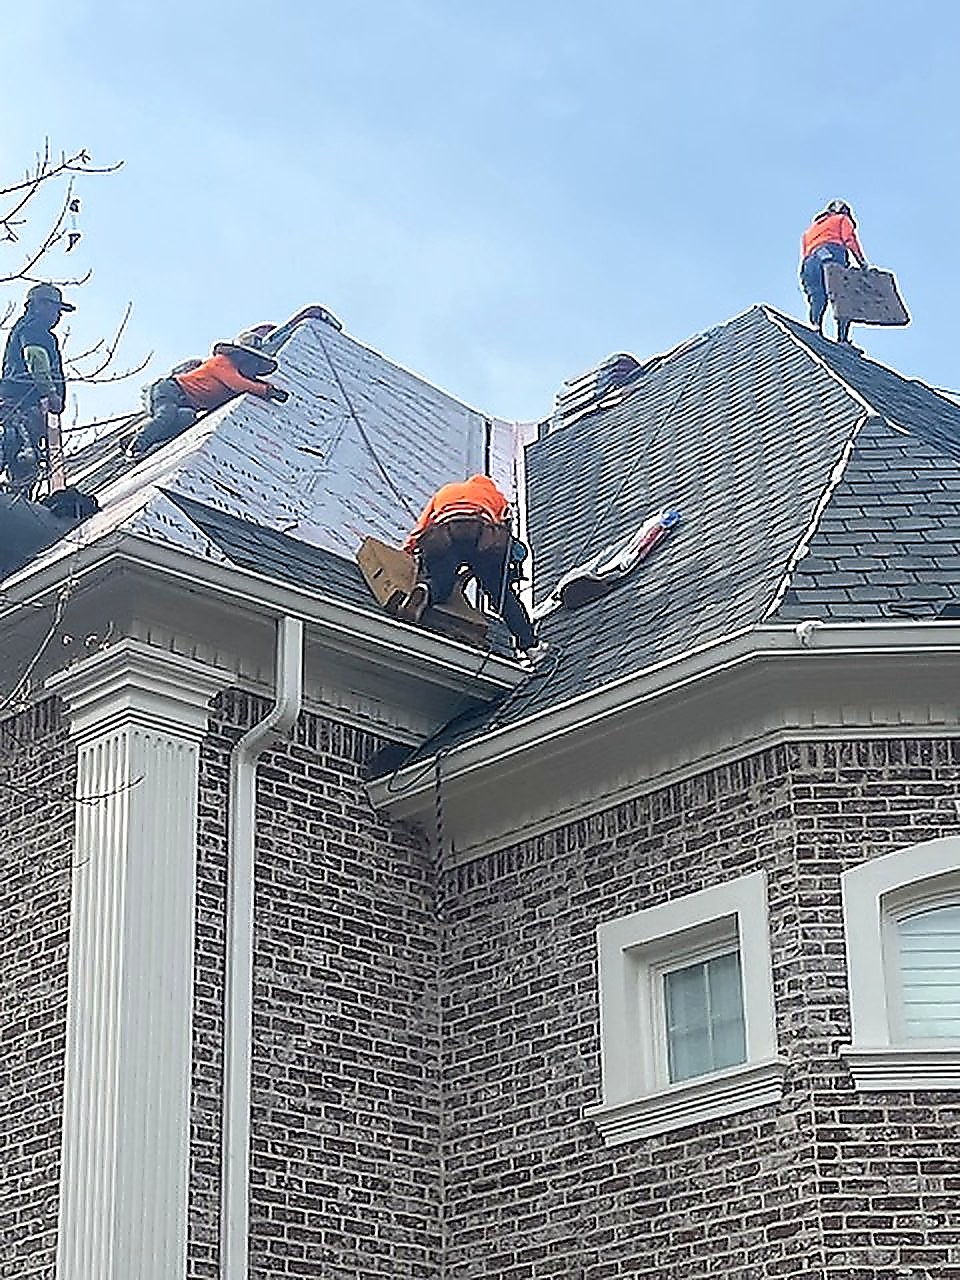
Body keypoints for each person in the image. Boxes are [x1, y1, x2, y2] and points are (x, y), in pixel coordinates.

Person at [399, 474, 548, 663]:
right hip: (481, 533)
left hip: (445, 532)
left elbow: (422, 526)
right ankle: (530, 647)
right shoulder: (495, 496)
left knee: (441, 581)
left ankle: (425, 591)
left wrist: (408, 550)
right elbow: (506, 532)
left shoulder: (446, 491)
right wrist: (506, 570)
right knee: (501, 595)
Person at [127, 338, 289, 459]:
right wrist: (267, 391)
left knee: (186, 419)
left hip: (188, 405)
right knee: (167, 413)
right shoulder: (222, 362)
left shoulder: (238, 379)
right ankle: (137, 446)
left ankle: (142, 435)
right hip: (172, 389)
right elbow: (238, 384)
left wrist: (270, 389)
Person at [1, 283, 74, 489]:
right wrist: (50, 393)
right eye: (54, 308)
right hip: (23, 403)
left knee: (20, 456)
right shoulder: (34, 328)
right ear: (37, 305)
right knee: (22, 455)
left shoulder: (24, 329)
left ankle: (16, 504)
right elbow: (35, 357)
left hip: (14, 403)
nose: (57, 316)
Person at [799, 200, 869, 344]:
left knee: (817, 297)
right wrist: (862, 264)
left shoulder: (809, 232)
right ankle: (842, 339)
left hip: (809, 264)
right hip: (831, 257)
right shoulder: (842, 219)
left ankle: (815, 328)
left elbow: (805, 252)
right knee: (843, 297)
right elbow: (850, 240)